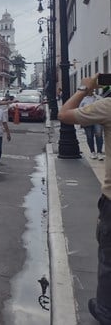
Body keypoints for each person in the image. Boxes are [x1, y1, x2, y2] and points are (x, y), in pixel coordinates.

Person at [58, 75, 111, 324]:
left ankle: (105, 310)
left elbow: (64, 114)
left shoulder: (107, 106)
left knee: (108, 260)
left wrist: (84, 88)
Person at [79, 89, 104, 160]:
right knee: (89, 136)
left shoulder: (98, 98)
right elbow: (80, 110)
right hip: (87, 120)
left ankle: (99, 152)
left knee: (99, 135)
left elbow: (102, 107)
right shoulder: (83, 100)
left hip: (97, 119)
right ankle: (92, 152)